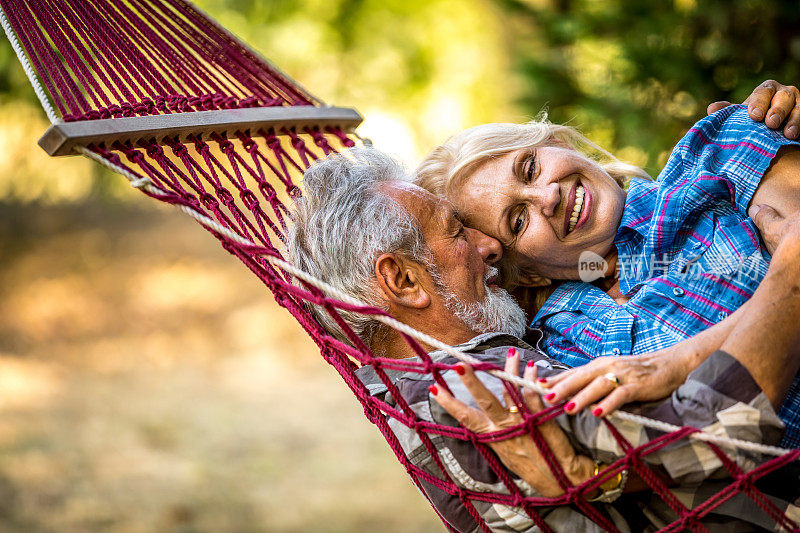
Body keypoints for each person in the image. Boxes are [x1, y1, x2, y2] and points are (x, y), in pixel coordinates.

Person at [286, 148, 799, 532]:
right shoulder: (470, 397)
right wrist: (792, 265)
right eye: (458, 232)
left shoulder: (443, 375)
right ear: (403, 282)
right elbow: (727, 424)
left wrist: (760, 157)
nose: (490, 249)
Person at [413, 80, 800, 447]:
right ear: (526, 273)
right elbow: (687, 434)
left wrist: (677, 363)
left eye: (530, 168)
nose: (547, 196)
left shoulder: (714, 149)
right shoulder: (564, 342)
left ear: (558, 143)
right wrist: (786, 260)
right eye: (517, 220)